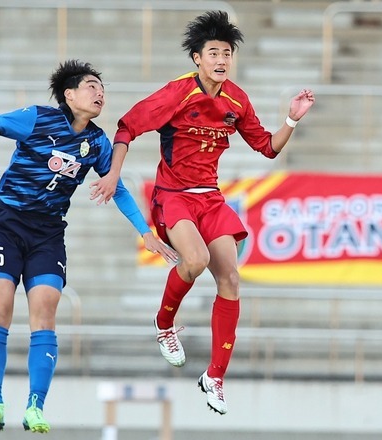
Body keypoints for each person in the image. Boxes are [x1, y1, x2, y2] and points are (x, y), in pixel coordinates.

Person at [0, 59, 177, 433]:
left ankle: (35, 406)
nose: (99, 94)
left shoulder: (96, 142)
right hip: (7, 225)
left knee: (44, 314)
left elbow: (118, 188)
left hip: (48, 234)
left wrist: (145, 232)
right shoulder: (36, 118)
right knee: (0, 307)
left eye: (102, 89)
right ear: (70, 94)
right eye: (91, 86)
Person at [92, 11, 315, 415]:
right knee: (194, 261)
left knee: (230, 276)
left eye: (227, 53)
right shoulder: (177, 93)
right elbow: (126, 127)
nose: (221, 59)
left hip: (210, 197)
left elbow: (266, 147)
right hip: (173, 195)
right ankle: (164, 325)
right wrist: (112, 174)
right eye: (213, 52)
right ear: (197, 57)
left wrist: (291, 120)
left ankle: (214, 376)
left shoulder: (237, 100)